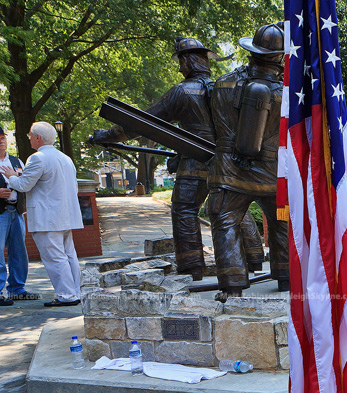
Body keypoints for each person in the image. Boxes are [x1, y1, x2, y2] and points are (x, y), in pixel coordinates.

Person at [91, 37, 264, 280]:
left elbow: (143, 122)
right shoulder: (225, 89)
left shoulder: (181, 91)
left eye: (181, 62)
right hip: (226, 164)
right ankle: (255, 258)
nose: (179, 67)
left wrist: (109, 135)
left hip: (194, 163)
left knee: (184, 210)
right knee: (234, 209)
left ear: (187, 62)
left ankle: (192, 266)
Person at [206, 23, 289, 299]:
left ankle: (232, 288)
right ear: (280, 57)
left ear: (252, 51)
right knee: (282, 223)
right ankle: (287, 279)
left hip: (231, 172)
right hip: (275, 175)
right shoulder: (289, 94)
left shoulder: (223, 84)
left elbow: (216, 129)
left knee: (226, 221)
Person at [0, 122, 83, 307]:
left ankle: (66, 295)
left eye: (30, 135)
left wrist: (13, 176)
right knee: (69, 255)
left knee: (55, 258)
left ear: (38, 138)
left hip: (48, 218)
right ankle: (75, 292)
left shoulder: (38, 158)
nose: (28, 138)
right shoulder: (65, 158)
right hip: (66, 216)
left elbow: (23, 186)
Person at [0, 125, 39, 306]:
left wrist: (17, 176)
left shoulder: (16, 161)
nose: (1, 140)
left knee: (19, 252)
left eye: (3, 137)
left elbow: (26, 182)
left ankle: (17, 289)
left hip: (16, 211)